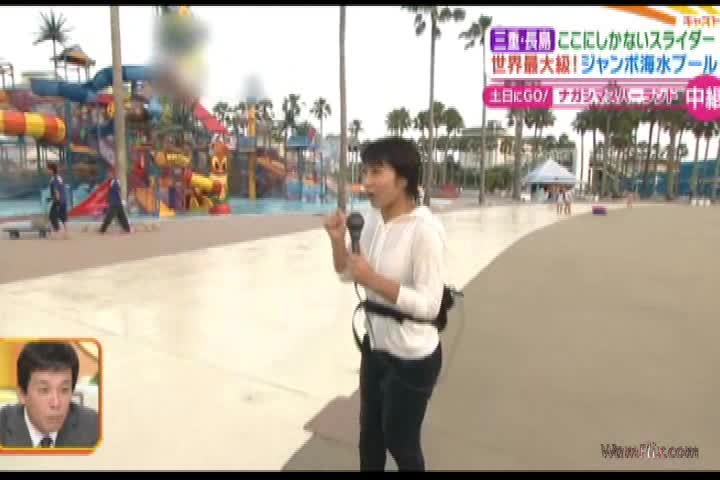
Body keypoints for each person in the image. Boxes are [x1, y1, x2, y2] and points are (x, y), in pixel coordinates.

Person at [324, 137, 446, 471]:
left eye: (377, 172)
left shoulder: (425, 231)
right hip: (375, 348)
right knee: (370, 438)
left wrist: (374, 279)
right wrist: (337, 242)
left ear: (403, 179)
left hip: (412, 357)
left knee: (400, 442)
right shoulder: (374, 221)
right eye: (365, 172)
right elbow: (348, 273)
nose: (367, 181)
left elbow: (430, 306)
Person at [0, 342, 99, 448]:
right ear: (22, 394)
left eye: (64, 390)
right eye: (44, 390)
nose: (56, 404)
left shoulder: (94, 427)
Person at [99, 168, 132, 234]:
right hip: (115, 202)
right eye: (108, 174)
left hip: (115, 202)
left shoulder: (115, 182)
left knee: (118, 217)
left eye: (110, 174)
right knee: (119, 217)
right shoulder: (111, 182)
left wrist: (122, 200)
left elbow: (118, 192)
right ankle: (127, 229)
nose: (109, 175)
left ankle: (127, 229)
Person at [47, 163, 69, 239]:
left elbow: (56, 190)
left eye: (48, 169)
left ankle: (56, 233)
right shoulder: (59, 177)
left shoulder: (54, 179)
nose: (47, 171)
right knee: (63, 217)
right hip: (64, 199)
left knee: (52, 216)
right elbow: (61, 188)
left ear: (51, 170)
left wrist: (57, 200)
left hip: (58, 200)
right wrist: (51, 198)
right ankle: (66, 233)